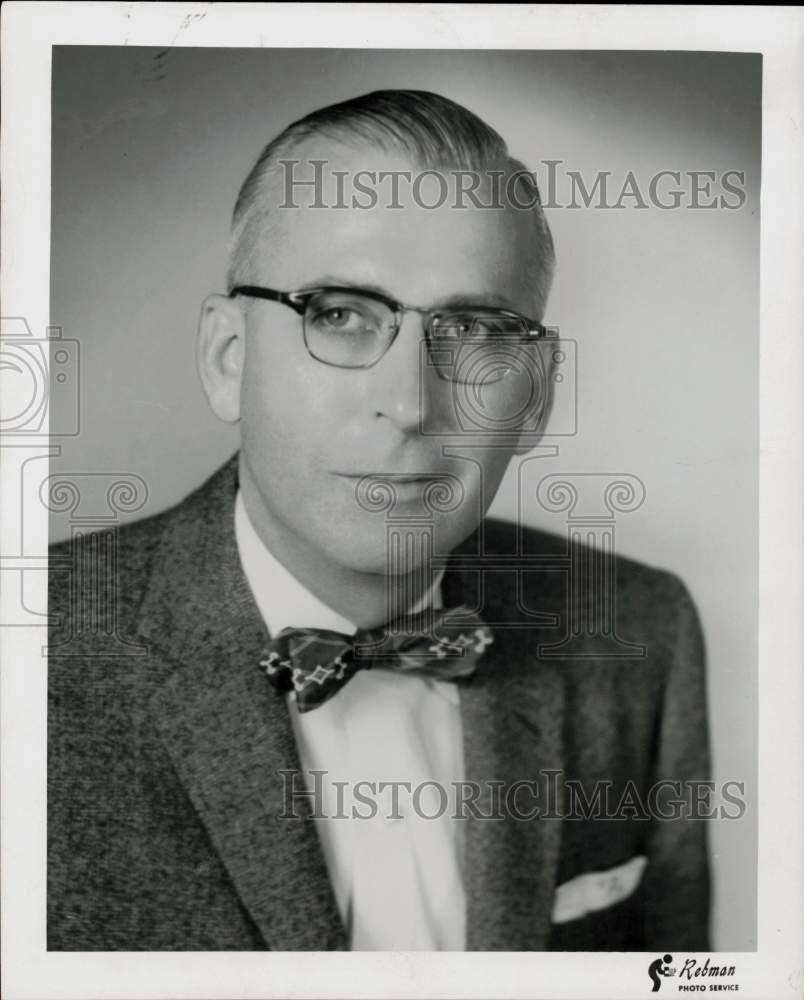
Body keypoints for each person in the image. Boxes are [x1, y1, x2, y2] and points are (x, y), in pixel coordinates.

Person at [47, 89, 711, 951]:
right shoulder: (31, 657)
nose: (408, 403)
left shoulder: (642, 633)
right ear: (226, 358)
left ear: (537, 396)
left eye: (473, 330)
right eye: (341, 315)